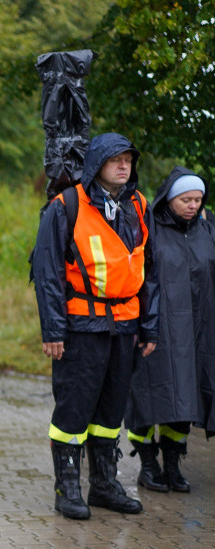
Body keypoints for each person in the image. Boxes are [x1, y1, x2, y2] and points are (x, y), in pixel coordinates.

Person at [31, 132, 158, 521]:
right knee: (74, 407)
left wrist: (149, 327)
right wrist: (53, 330)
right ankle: (67, 487)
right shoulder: (66, 206)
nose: (124, 166)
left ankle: (104, 484)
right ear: (96, 165)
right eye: (115, 159)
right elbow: (48, 271)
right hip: (81, 325)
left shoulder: (138, 205)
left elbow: (149, 270)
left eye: (128, 160)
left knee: (111, 408)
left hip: (125, 325)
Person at [124, 169, 214, 494]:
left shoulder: (207, 230)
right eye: (185, 199)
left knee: (186, 399)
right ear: (169, 198)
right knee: (149, 395)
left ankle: (173, 464)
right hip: (155, 329)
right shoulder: (149, 229)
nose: (192, 205)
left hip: (196, 332)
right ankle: (149, 465)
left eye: (197, 200)